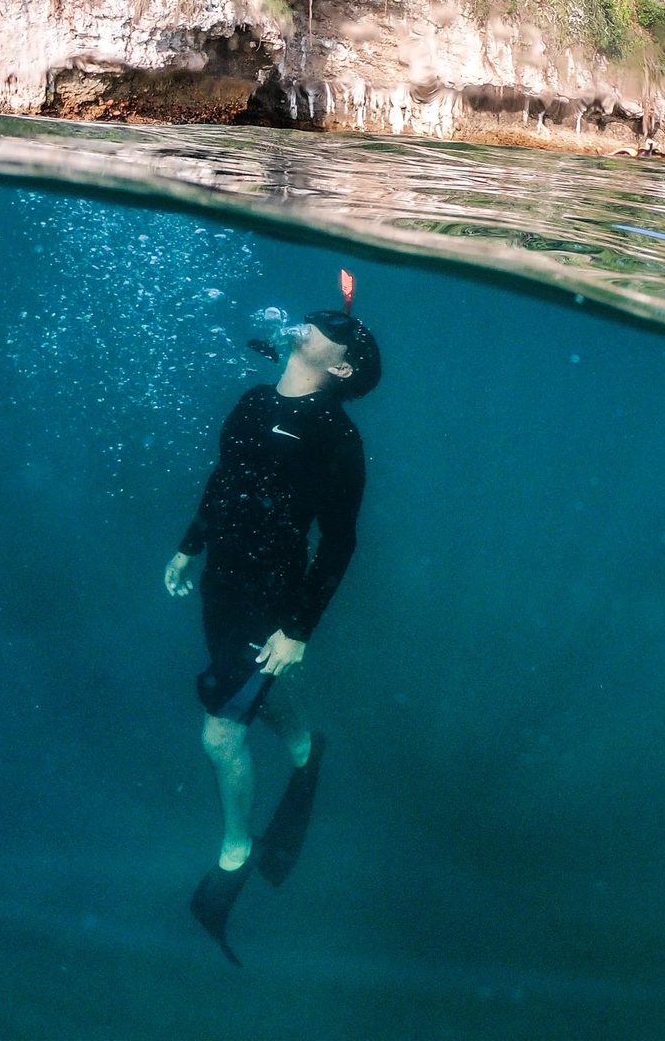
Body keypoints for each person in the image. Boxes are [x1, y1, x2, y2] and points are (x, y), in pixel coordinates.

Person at [165, 275, 381, 962]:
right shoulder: (254, 401)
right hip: (222, 581)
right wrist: (189, 544)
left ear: (341, 366)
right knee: (246, 691)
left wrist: (299, 628)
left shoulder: (338, 437)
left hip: (271, 595)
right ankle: (305, 744)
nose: (311, 320)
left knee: (219, 735)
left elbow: (341, 542)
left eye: (329, 323)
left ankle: (236, 847)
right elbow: (224, 478)